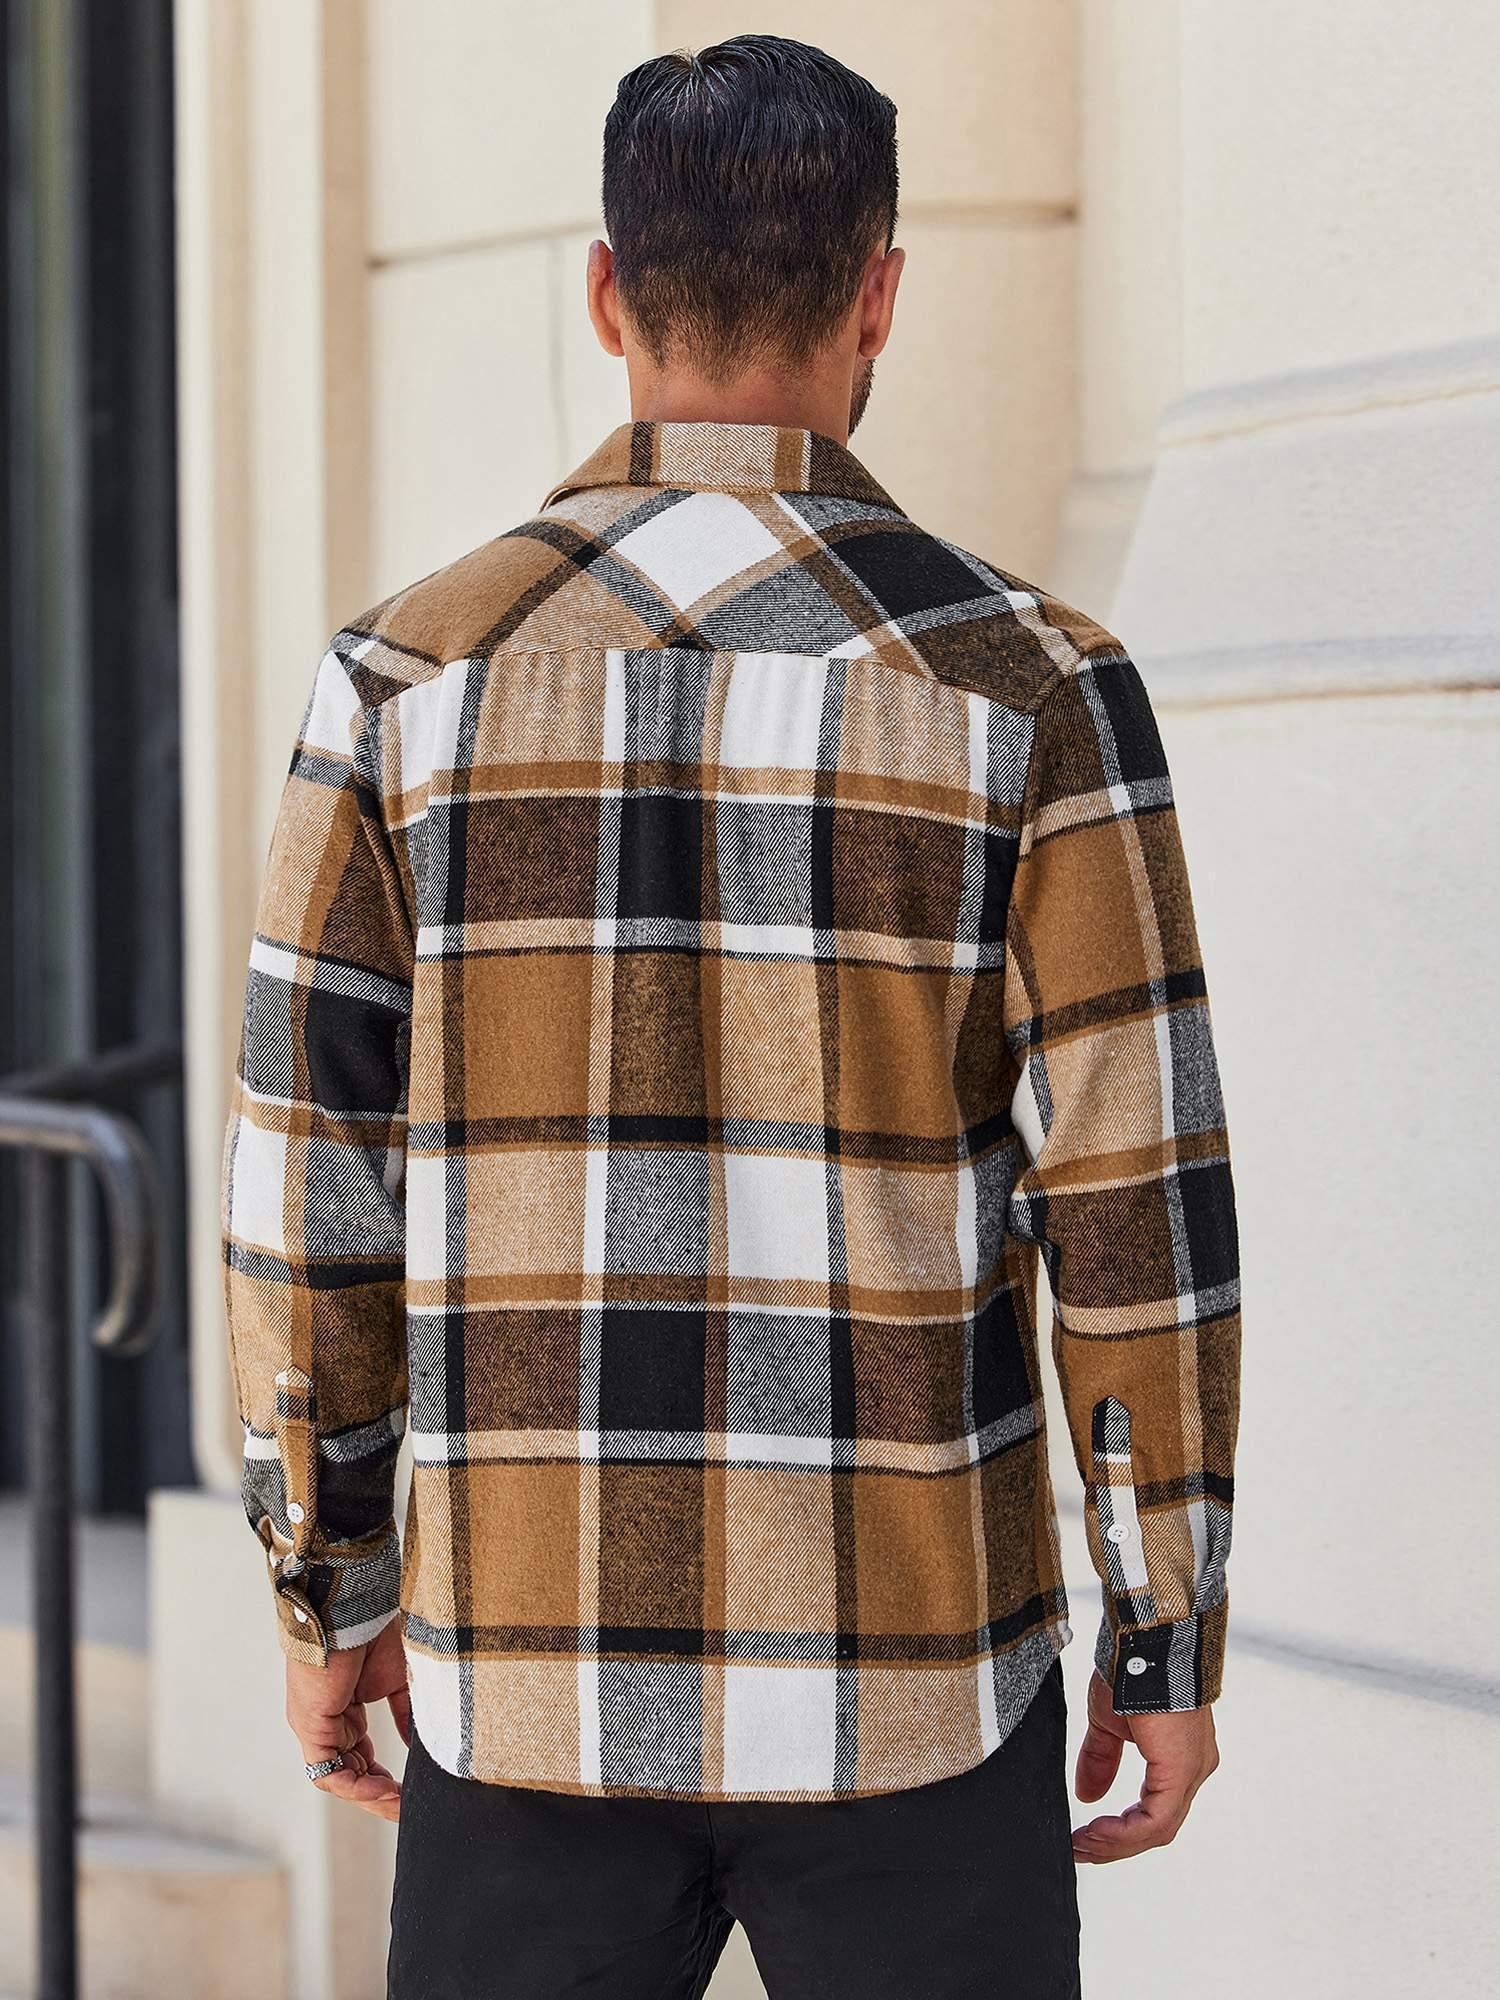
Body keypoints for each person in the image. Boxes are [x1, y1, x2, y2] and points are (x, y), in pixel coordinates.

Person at [220, 32, 1241, 1999]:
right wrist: (1162, 1630)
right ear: (879, 298)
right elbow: (1140, 1208)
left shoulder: (398, 688)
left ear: (607, 293)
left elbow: (307, 1195)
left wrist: (323, 1586)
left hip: (524, 1681)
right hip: (919, 1680)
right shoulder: (1036, 687)